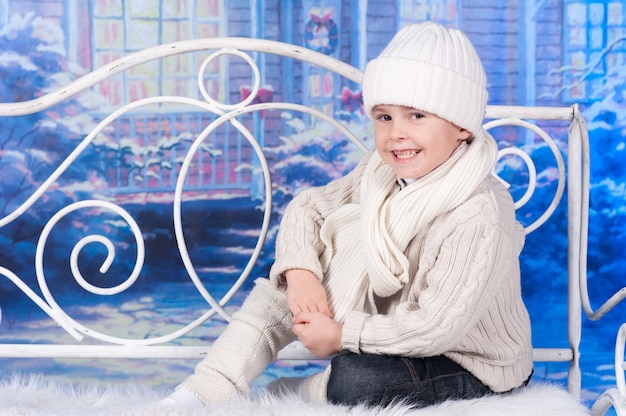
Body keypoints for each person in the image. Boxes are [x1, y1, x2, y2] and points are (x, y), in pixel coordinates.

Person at [159, 21, 533, 409]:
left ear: (461, 127)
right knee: (282, 292)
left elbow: (434, 328)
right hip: (395, 336)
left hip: (469, 364)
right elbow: (309, 206)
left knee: (356, 380)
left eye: (416, 116)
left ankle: (292, 394)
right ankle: (206, 390)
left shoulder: (478, 213)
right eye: (384, 117)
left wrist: (340, 335)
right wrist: (301, 274)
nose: (396, 134)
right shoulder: (380, 172)